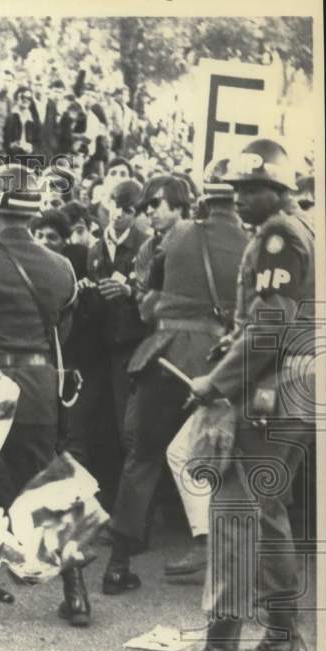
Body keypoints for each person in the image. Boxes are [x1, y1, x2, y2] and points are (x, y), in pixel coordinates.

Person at [155, 139, 315, 651]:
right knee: (268, 515)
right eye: (238, 189)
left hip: (267, 394)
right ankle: (280, 634)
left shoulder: (276, 237)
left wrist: (215, 382)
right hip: (297, 390)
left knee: (230, 515)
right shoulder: (304, 231)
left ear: (277, 190)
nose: (240, 198)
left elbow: (269, 325)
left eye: (251, 189)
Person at [103, 164, 246, 593]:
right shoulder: (249, 244)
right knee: (219, 458)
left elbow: (149, 304)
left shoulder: (178, 237)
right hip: (220, 358)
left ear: (203, 197)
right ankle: (225, 563)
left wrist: (152, 302)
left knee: (142, 457)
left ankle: (117, 564)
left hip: (166, 355)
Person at [0, 164, 87, 625]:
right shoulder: (61, 266)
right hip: (38, 389)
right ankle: (76, 594)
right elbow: (64, 328)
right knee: (46, 489)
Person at [65, 178, 148, 512]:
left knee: (128, 431)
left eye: (127, 209)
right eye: (115, 206)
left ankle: (131, 512)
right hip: (101, 350)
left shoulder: (145, 246)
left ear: (136, 213)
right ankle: (104, 504)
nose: (119, 215)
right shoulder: (96, 250)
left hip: (132, 349)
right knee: (97, 425)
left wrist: (130, 294)